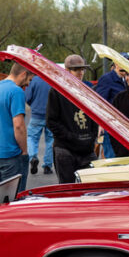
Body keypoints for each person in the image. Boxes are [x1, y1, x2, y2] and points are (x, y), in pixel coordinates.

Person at [46, 55, 99, 184]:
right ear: (67, 70)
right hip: (65, 149)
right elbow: (51, 121)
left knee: (91, 188)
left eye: (82, 69)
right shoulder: (57, 91)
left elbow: (95, 118)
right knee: (67, 188)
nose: (80, 72)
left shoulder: (88, 91)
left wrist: (91, 138)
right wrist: (71, 137)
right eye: (76, 69)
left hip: (86, 150)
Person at [0, 62, 33, 192]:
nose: (28, 84)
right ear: (23, 74)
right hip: (11, 155)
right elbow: (19, 126)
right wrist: (24, 151)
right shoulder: (16, 91)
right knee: (15, 198)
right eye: (29, 79)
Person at [94, 60, 127, 158]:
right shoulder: (107, 79)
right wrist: (100, 123)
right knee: (112, 157)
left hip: (124, 125)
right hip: (111, 125)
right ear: (116, 64)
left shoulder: (126, 80)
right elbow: (100, 102)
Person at [24, 75, 54, 175]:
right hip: (51, 115)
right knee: (50, 140)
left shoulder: (34, 80)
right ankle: (48, 166)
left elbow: (27, 97)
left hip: (36, 115)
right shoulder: (53, 80)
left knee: (32, 138)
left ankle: (33, 157)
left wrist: (34, 105)